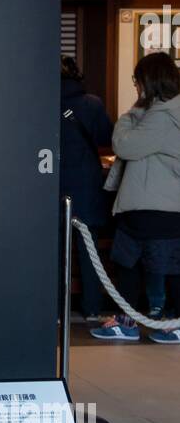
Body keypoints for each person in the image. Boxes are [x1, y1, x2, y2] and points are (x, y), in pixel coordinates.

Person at [91, 51, 180, 343]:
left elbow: (124, 146)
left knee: (144, 266)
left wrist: (130, 116)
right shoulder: (162, 112)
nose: (136, 86)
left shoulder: (164, 115)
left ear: (149, 80)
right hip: (155, 205)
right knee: (153, 266)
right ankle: (160, 321)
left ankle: (157, 323)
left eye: (137, 80)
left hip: (155, 205)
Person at [59, 56, 114, 321]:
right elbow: (105, 137)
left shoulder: (40, 100)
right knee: (88, 249)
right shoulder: (92, 104)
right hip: (86, 184)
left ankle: (57, 309)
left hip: (53, 184)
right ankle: (92, 307)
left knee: (56, 250)